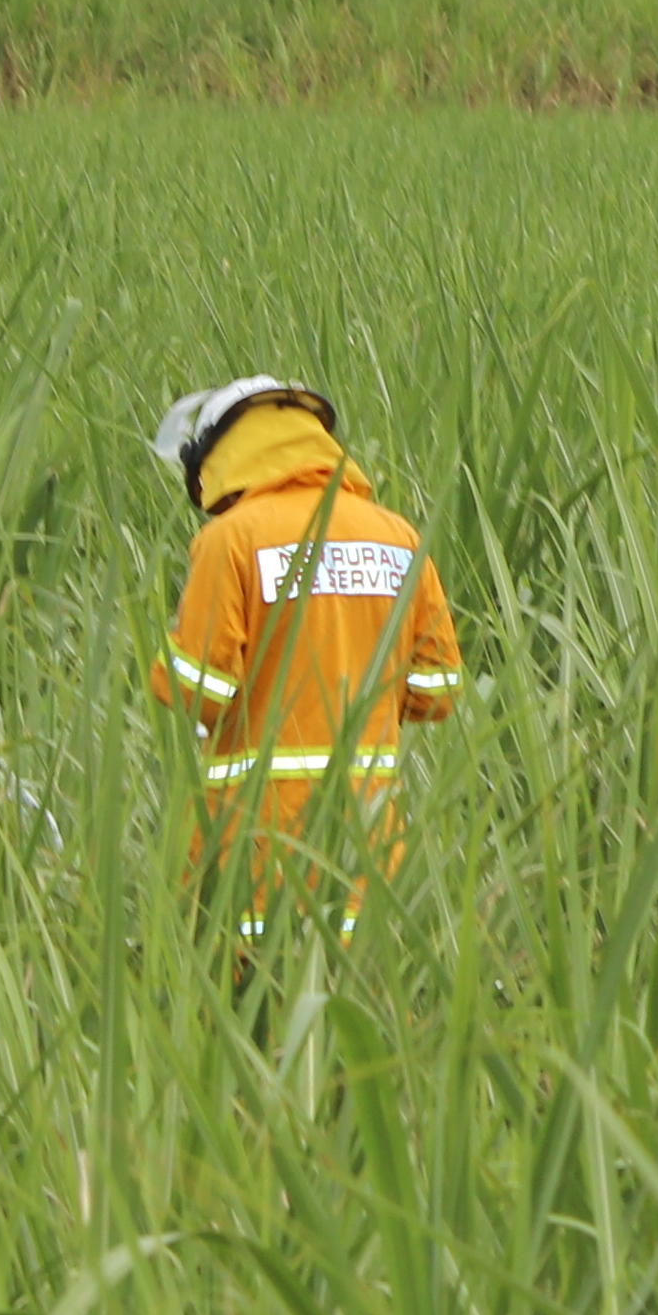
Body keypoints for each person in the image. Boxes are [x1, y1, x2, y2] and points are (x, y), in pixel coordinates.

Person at [152, 376, 463, 947]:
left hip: (255, 848)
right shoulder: (397, 536)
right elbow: (437, 690)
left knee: (246, 1010)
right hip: (371, 848)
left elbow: (199, 692)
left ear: (215, 457)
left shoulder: (231, 538)